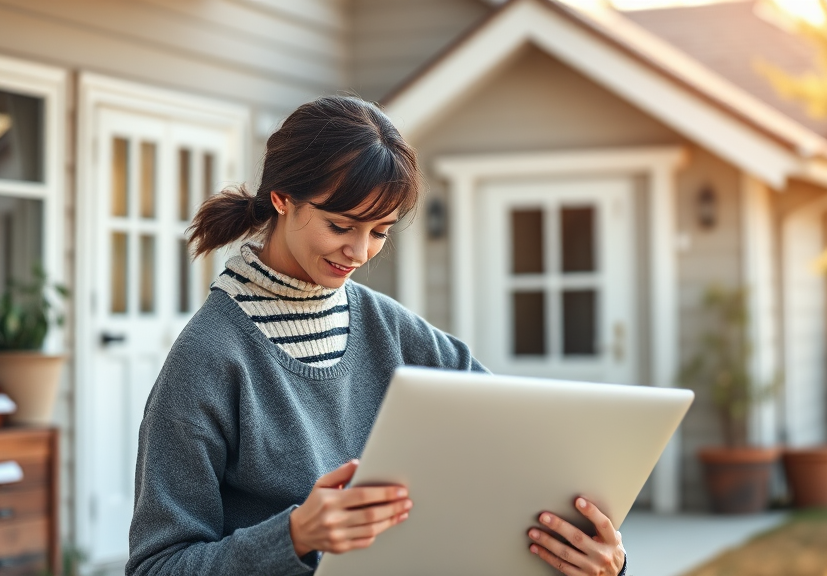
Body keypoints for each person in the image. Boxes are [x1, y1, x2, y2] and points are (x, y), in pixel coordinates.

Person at [125, 95, 627, 576]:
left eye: (380, 231)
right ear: (282, 198)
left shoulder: (399, 334)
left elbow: (524, 450)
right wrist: (295, 536)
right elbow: (157, 566)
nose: (360, 252)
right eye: (341, 225)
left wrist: (600, 559)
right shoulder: (207, 359)